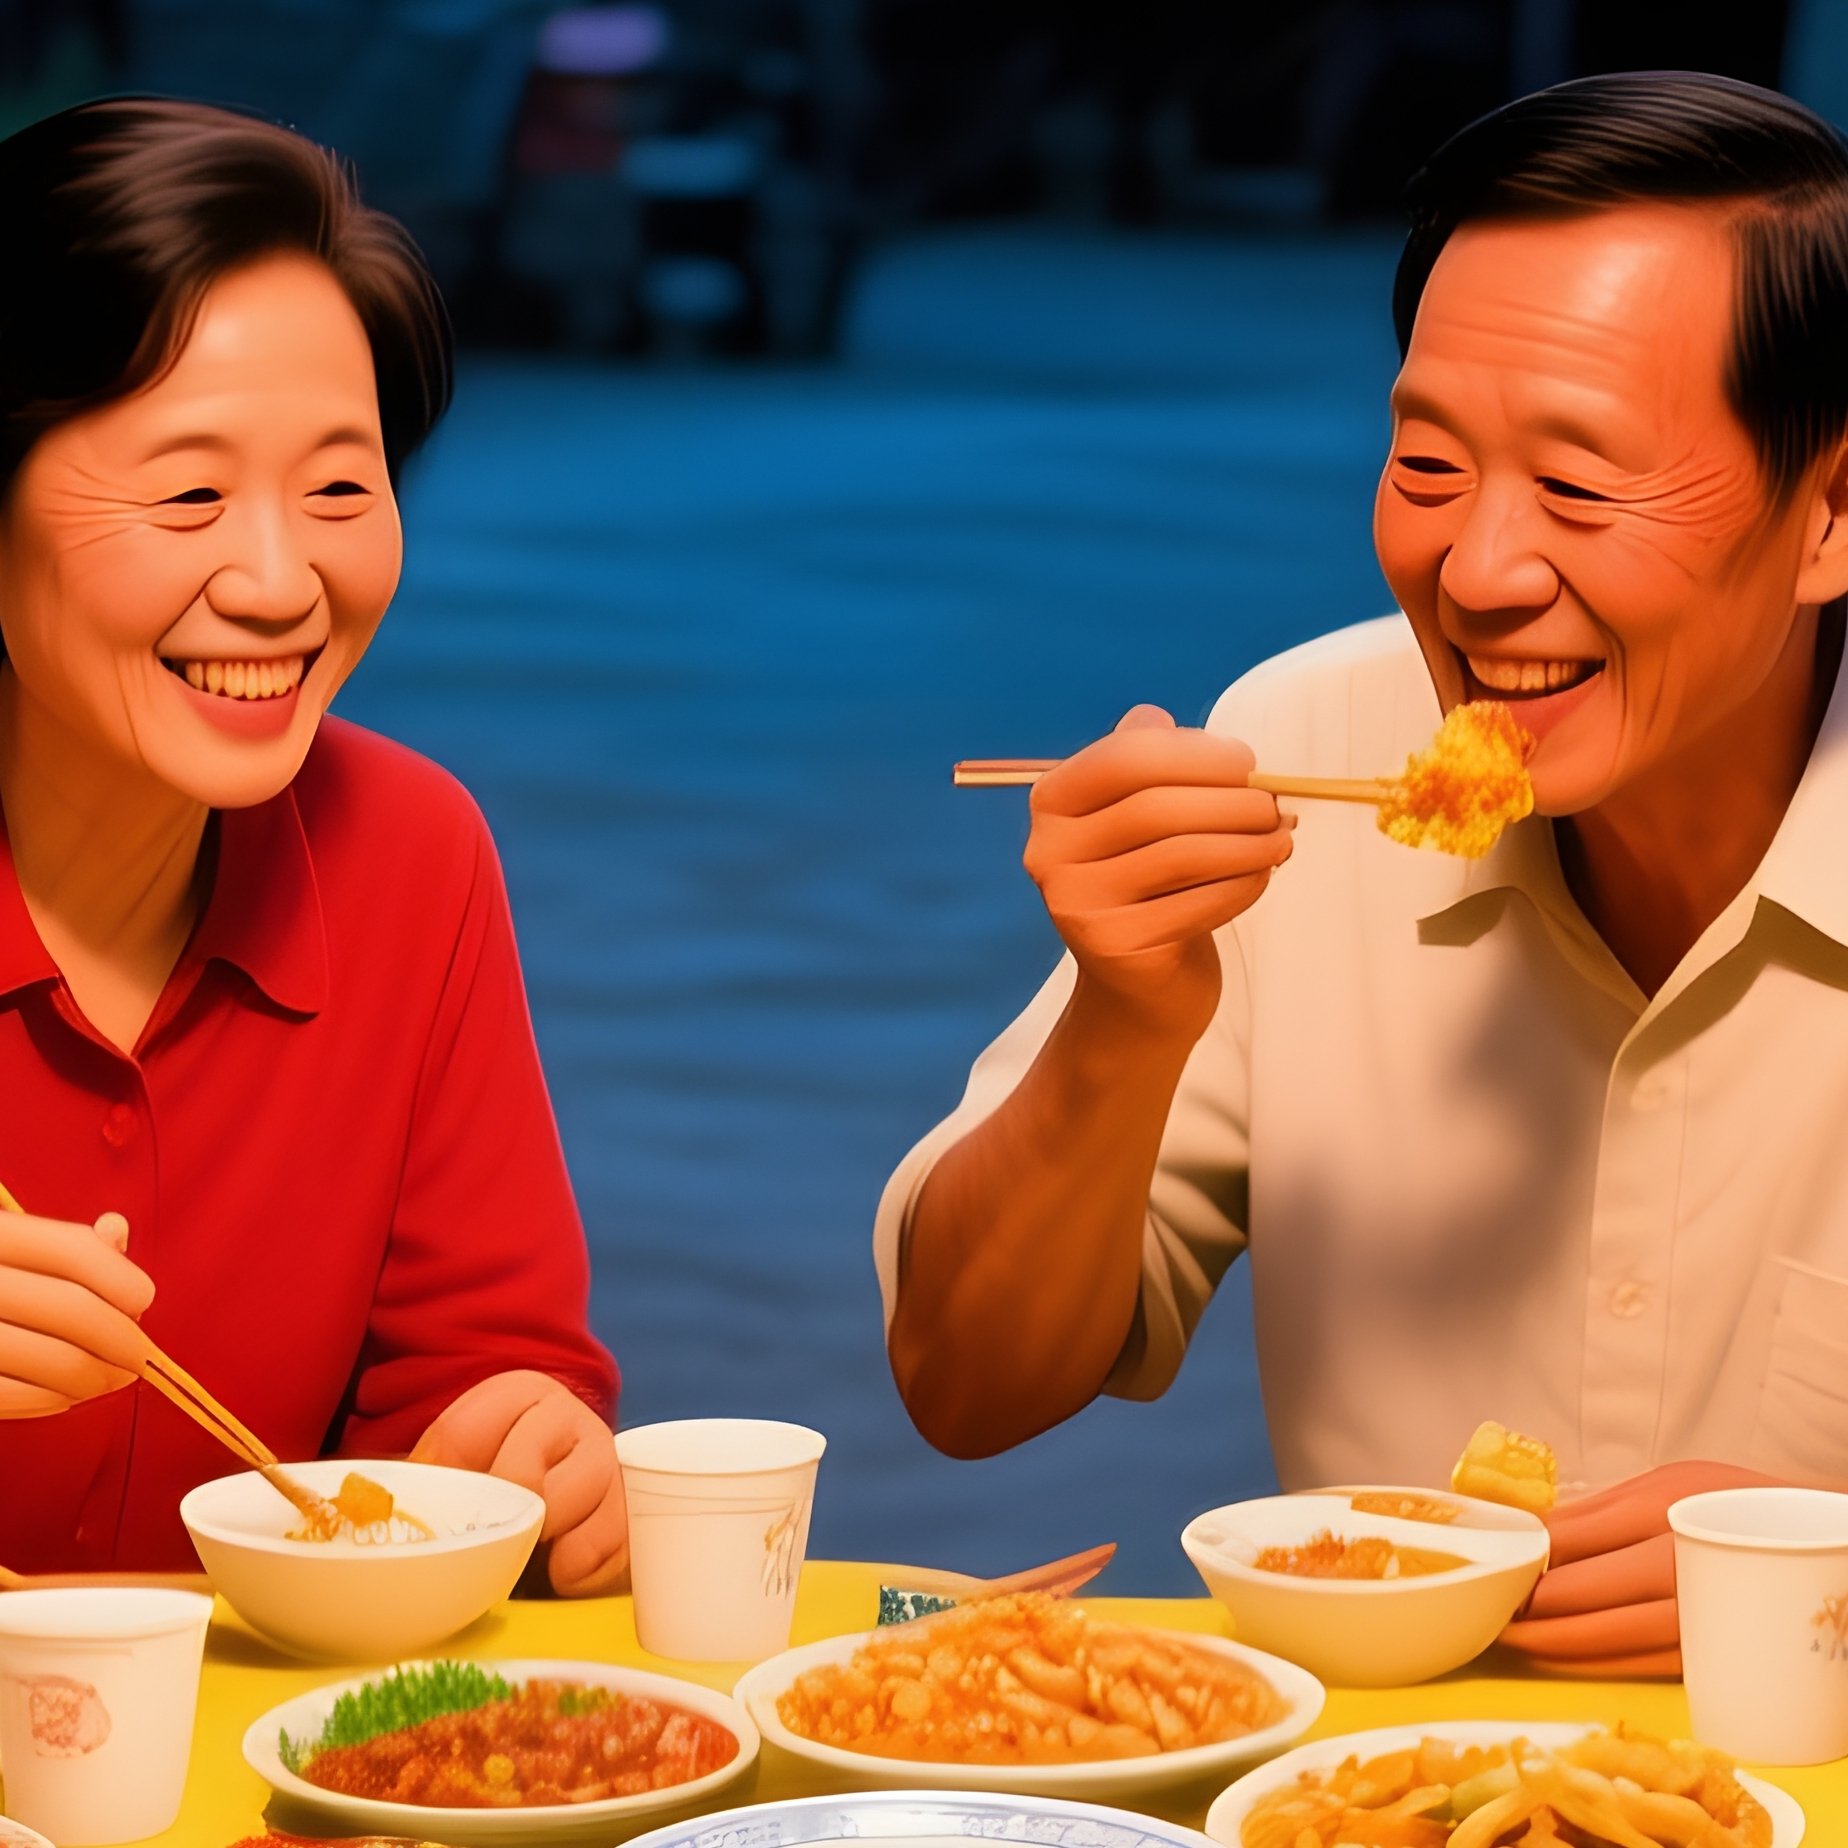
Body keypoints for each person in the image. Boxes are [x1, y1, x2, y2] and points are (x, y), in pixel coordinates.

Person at [875, 70, 1848, 1677]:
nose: (1477, 574)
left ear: (1830, 514)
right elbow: (968, 1386)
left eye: (1585, 486)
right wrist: (1126, 1017)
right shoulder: (1301, 740)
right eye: (1427, 469)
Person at [0, 98, 626, 1593]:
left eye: (341, 488)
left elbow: (471, 1376)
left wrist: (525, 1453)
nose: (281, 583)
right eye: (190, 494)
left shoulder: (409, 853)